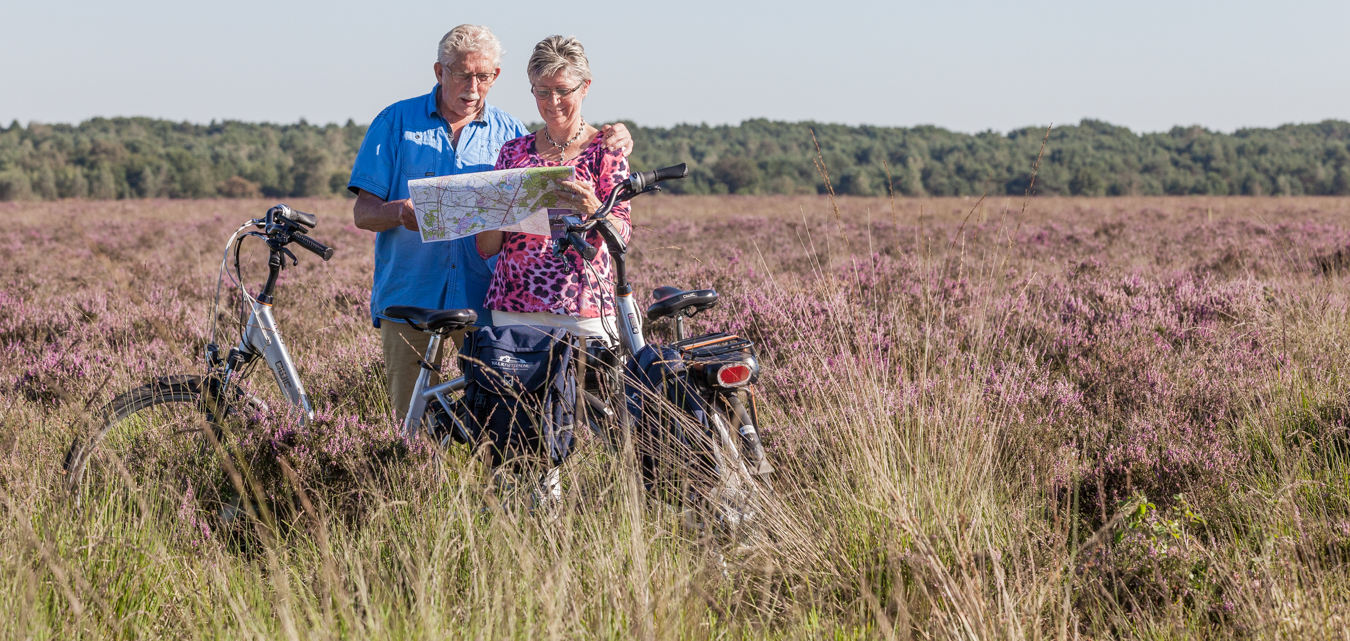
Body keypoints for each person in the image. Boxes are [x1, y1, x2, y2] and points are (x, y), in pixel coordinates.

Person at [346, 25, 633, 422]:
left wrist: (616, 139)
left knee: (490, 421)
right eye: (463, 74)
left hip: (483, 301)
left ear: (496, 76)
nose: (473, 86)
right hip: (411, 296)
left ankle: (473, 484)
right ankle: (417, 482)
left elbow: (612, 218)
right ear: (439, 71)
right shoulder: (396, 122)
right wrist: (399, 213)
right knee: (408, 418)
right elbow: (363, 213)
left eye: (484, 76)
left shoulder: (510, 135)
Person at [475, 35, 630, 348]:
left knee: (592, 398)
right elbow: (486, 247)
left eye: (563, 90)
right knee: (516, 400)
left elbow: (622, 236)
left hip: (585, 308)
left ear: (585, 86)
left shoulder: (607, 151)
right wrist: (497, 212)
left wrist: (594, 207)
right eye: (542, 91)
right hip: (514, 307)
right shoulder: (512, 152)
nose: (553, 102)